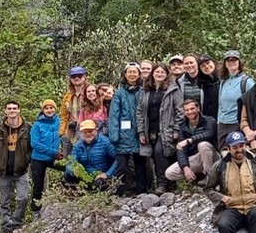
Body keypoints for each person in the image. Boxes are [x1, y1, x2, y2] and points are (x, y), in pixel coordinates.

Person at [0, 100, 31, 233]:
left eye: (14, 108)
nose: (12, 111)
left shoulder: (27, 128)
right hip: (4, 171)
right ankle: (7, 227)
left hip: (21, 170)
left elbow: (32, 147)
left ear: (19, 110)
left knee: (23, 198)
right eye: (9, 109)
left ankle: (17, 222)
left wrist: (27, 160)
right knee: (4, 202)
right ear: (5, 111)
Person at [139, 63, 183, 192]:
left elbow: (179, 110)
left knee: (160, 153)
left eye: (162, 72)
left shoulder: (172, 89)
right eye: (157, 72)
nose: (159, 74)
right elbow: (139, 111)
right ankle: (165, 183)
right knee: (153, 155)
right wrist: (141, 131)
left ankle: (163, 184)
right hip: (149, 129)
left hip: (166, 129)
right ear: (152, 73)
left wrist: (176, 129)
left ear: (166, 74)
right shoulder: (146, 90)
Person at [109, 63, 148, 196]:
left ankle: (142, 190)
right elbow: (114, 115)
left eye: (134, 72)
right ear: (125, 75)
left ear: (139, 74)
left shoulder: (144, 91)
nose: (132, 74)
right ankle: (120, 192)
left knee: (140, 165)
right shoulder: (119, 93)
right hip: (122, 134)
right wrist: (114, 135)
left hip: (139, 133)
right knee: (121, 166)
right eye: (129, 72)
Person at [165, 99, 219, 184]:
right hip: (196, 158)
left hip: (213, 156)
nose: (190, 112)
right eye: (187, 110)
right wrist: (185, 167)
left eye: (192, 108)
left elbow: (210, 134)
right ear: (184, 112)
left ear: (198, 108)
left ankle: (210, 179)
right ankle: (198, 178)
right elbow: (180, 148)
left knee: (202, 145)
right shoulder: (183, 126)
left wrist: (190, 140)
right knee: (170, 173)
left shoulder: (209, 120)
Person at [29, 99, 62, 218]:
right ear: (43, 110)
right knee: (38, 186)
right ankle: (35, 211)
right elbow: (35, 143)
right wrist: (53, 152)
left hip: (56, 157)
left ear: (55, 109)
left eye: (51, 108)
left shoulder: (60, 122)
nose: (49, 110)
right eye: (46, 108)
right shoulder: (37, 125)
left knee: (71, 170)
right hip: (39, 158)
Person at [65, 120, 119, 189]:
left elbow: (118, 159)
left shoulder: (105, 142)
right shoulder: (77, 146)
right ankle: (80, 193)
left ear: (95, 131)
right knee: (66, 177)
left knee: (99, 185)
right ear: (81, 133)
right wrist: (73, 170)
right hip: (86, 177)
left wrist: (107, 174)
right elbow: (71, 162)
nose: (88, 134)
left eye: (90, 131)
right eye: (85, 132)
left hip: (101, 176)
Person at [215, 50, 253, 142]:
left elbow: (253, 105)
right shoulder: (223, 82)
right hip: (223, 125)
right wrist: (219, 122)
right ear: (225, 64)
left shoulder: (247, 82)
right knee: (224, 153)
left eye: (234, 60)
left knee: (237, 154)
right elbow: (220, 104)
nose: (231, 62)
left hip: (237, 124)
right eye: (228, 60)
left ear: (239, 62)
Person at [59, 66, 91, 151]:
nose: (76, 78)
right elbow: (64, 115)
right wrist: (61, 133)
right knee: (69, 158)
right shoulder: (68, 96)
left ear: (84, 77)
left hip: (86, 130)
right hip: (70, 131)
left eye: (79, 75)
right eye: (73, 76)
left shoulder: (90, 93)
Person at [197, 54, 221, 121]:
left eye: (208, 63)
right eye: (203, 66)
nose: (206, 67)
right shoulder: (202, 84)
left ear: (214, 63)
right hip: (208, 120)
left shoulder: (224, 80)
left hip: (223, 119)